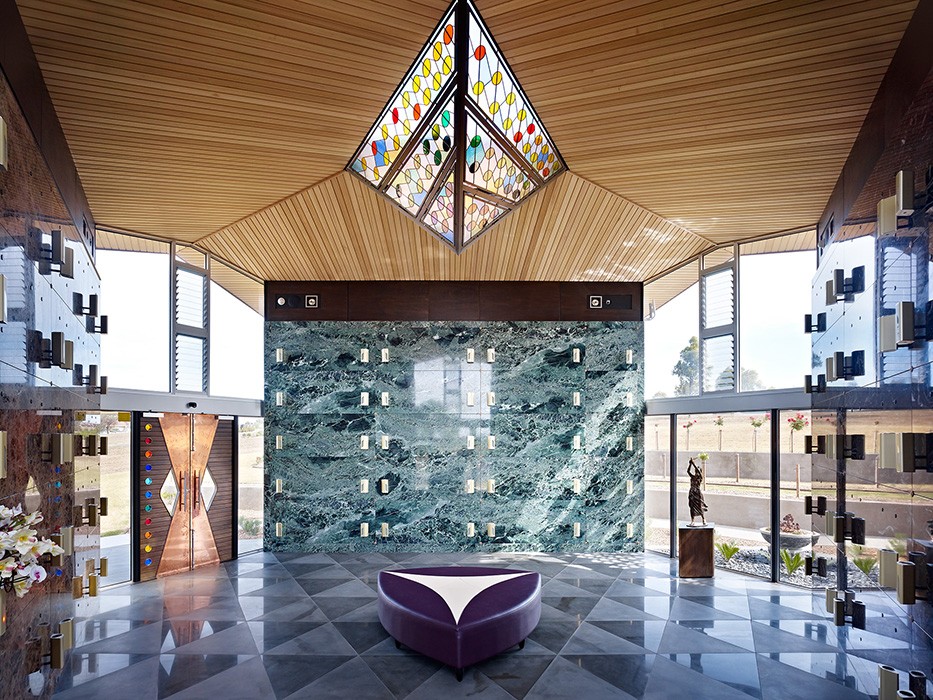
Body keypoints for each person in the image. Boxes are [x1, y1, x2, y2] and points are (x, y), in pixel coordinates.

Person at [687, 458, 708, 526]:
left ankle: (703, 519)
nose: (696, 472)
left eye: (697, 471)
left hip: (697, 493)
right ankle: (692, 521)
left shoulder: (700, 478)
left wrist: (693, 463)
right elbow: (688, 471)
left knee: (700, 506)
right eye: (695, 471)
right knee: (692, 507)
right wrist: (690, 464)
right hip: (692, 492)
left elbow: (698, 471)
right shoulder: (692, 477)